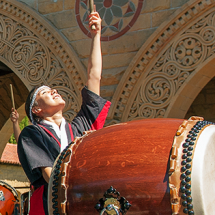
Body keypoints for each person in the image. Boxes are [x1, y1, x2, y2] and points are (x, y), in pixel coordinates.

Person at [17, 10, 111, 215]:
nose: (53, 90)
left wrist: (96, 36)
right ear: (37, 110)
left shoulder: (79, 127)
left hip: (81, 200)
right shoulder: (32, 134)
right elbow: (50, 174)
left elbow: (94, 77)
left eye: (52, 88)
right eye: (44, 91)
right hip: (51, 205)